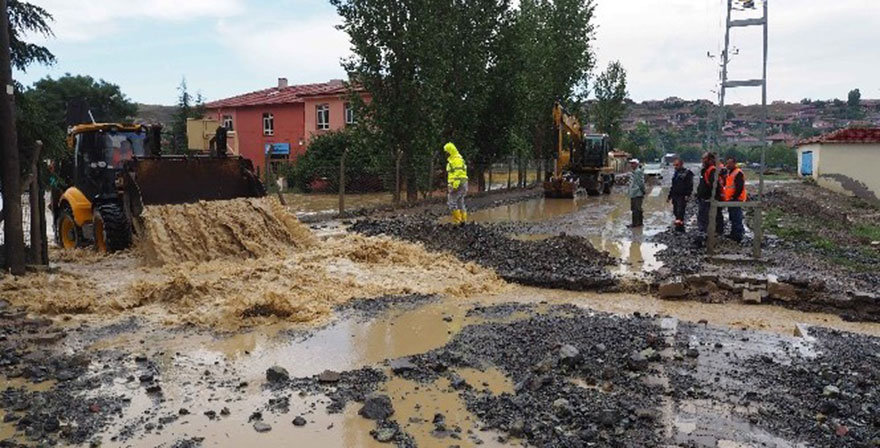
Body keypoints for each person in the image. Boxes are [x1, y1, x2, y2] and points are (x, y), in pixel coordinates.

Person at [696, 152, 724, 236]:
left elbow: (715, 186)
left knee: (705, 218)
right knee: (705, 217)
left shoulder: (711, 170)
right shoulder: (706, 170)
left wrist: (714, 198)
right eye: (702, 159)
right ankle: (708, 233)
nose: (703, 161)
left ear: (710, 160)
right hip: (704, 199)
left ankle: (705, 234)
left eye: (704, 159)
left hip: (708, 199)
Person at [721, 156, 747, 242]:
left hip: (736, 199)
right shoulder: (730, 173)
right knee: (733, 217)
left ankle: (738, 235)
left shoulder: (737, 173)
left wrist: (734, 197)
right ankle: (734, 233)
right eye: (727, 163)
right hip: (730, 199)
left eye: (729, 163)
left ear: (734, 163)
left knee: (736, 217)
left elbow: (739, 187)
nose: (727, 165)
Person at [444, 142, 468, 224]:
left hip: (457, 183)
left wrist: (454, 185)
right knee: (460, 201)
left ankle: (458, 221)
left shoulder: (455, 160)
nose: (445, 153)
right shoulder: (460, 159)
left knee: (451, 201)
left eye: (446, 151)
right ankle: (463, 220)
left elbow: (458, 173)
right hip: (464, 183)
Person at [667, 158, 694, 231]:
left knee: (680, 211)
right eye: (674, 165)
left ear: (681, 164)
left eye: (677, 165)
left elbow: (690, 185)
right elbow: (673, 185)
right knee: (675, 211)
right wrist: (669, 196)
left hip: (682, 195)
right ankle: (678, 224)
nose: (675, 167)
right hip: (675, 195)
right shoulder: (676, 173)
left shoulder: (687, 173)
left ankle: (680, 227)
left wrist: (688, 195)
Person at [628, 158, 646, 228]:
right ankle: (637, 223)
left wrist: (643, 190)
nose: (631, 165)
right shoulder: (634, 172)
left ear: (636, 164)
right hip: (633, 193)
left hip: (637, 193)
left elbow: (640, 182)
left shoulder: (638, 172)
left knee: (637, 209)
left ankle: (636, 223)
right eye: (631, 163)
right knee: (634, 208)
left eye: (633, 163)